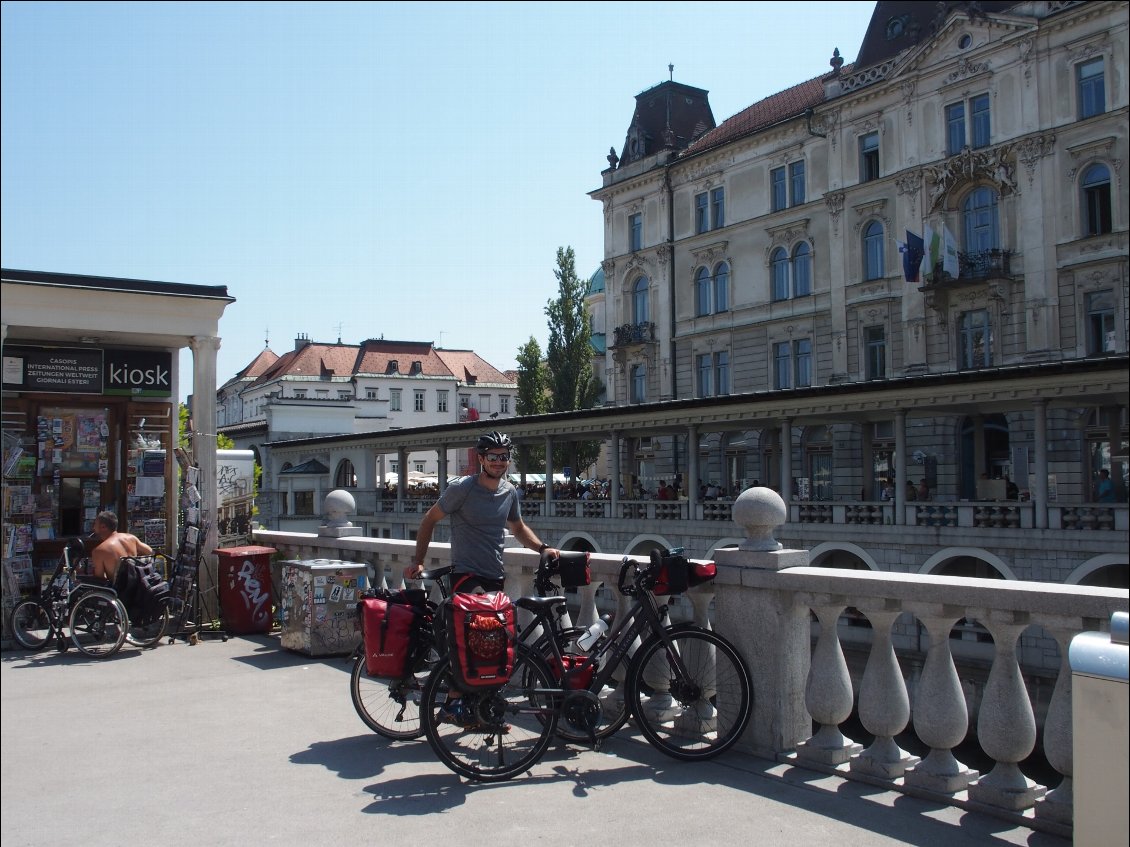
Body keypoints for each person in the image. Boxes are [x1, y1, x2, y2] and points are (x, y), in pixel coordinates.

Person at [402, 431, 556, 725]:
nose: (500, 462)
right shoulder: (463, 488)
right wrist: (418, 561)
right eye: (493, 457)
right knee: (476, 636)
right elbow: (429, 520)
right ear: (482, 459)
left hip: (494, 574)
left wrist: (543, 548)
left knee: (494, 641)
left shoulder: (509, 492)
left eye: (504, 457)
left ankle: (480, 706)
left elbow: (518, 527)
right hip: (467, 574)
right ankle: (452, 703)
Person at [89, 510, 153, 583]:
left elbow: (100, 579)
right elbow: (151, 552)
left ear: (103, 526)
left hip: (120, 591)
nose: (93, 527)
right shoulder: (131, 538)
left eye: (95, 524)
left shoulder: (99, 551)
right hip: (138, 586)